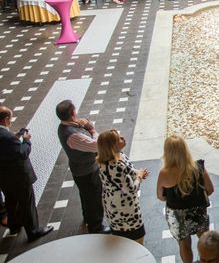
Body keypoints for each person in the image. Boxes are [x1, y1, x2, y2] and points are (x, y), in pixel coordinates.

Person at [157, 135, 214, 263]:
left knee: (184, 243)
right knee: (204, 239)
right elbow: (210, 189)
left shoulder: (164, 173)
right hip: (198, 210)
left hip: (177, 215)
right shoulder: (198, 168)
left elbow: (160, 196)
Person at [0, 106, 53, 242]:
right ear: (6, 120)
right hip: (18, 176)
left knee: (11, 201)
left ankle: (15, 226)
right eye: (10, 119)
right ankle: (33, 231)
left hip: (4, 176)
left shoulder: (5, 136)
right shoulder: (5, 136)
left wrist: (15, 137)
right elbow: (22, 153)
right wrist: (27, 140)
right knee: (27, 203)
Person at [56, 100, 109, 234]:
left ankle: (88, 218)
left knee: (86, 196)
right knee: (93, 198)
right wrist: (92, 130)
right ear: (73, 113)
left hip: (80, 168)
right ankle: (96, 226)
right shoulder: (73, 135)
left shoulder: (66, 126)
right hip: (86, 171)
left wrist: (84, 125)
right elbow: (96, 145)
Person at [96, 130, 148, 243]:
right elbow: (132, 189)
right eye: (119, 139)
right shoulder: (116, 166)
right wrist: (139, 176)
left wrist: (137, 172)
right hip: (125, 209)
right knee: (137, 240)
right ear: (112, 146)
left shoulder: (112, 157)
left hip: (112, 204)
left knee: (120, 238)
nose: (123, 138)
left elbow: (128, 170)